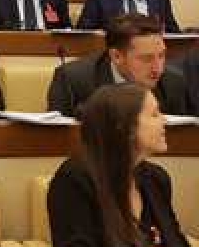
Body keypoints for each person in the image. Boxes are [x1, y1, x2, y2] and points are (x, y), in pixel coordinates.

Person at [47, 83, 190, 247]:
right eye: (154, 114)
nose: (164, 120)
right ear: (126, 127)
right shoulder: (74, 180)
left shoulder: (157, 179)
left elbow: (176, 241)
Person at [47, 14, 189, 117]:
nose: (158, 68)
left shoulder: (173, 82)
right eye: (146, 58)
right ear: (116, 56)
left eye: (162, 55)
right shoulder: (72, 81)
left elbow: (181, 140)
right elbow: (58, 140)